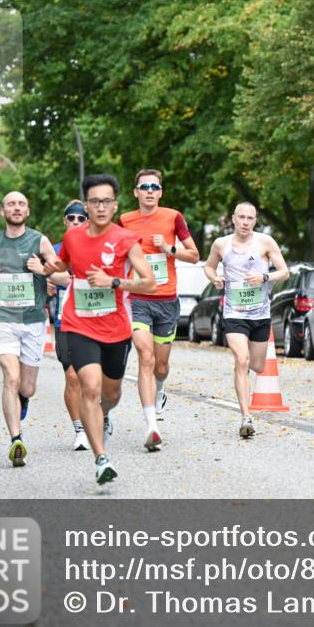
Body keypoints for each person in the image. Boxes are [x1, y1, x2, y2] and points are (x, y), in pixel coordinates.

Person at [44, 174, 156, 484]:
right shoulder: (72, 237)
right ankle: (101, 458)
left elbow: (148, 281)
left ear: (115, 204)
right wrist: (48, 269)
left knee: (111, 393)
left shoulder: (125, 239)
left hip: (116, 329)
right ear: (87, 204)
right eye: (95, 201)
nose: (101, 207)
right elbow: (64, 265)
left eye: (107, 201)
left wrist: (115, 281)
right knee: (89, 387)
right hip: (78, 323)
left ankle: (104, 416)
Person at [0, 191, 58, 468]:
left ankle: (22, 399)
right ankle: (16, 440)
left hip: (32, 321)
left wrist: (42, 269)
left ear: (27, 211)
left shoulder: (39, 240)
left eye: (21, 204)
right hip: (2, 320)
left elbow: (61, 273)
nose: (16, 208)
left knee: (27, 387)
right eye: (11, 204)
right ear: (2, 211)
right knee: (11, 376)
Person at [119, 169, 200, 451]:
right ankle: (151, 425)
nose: (150, 191)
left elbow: (194, 255)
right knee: (146, 356)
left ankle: (160, 389)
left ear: (161, 192)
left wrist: (168, 248)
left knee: (161, 366)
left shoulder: (173, 217)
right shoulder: (125, 221)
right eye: (144, 187)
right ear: (136, 192)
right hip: (138, 299)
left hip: (167, 302)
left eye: (155, 186)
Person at [203, 202, 289, 438]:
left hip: (260, 314)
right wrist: (215, 279)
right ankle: (246, 417)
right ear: (233, 218)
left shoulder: (265, 242)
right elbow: (208, 267)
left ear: (255, 220)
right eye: (241, 217)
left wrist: (264, 276)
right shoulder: (221, 244)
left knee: (257, 365)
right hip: (234, 313)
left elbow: (285, 272)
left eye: (250, 218)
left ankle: (247, 397)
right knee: (242, 359)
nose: (245, 222)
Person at [46, 200, 91, 451]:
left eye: (81, 218)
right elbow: (49, 273)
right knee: (73, 376)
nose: (76, 222)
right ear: (65, 221)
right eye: (71, 217)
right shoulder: (54, 250)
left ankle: (99, 417)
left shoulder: (97, 244)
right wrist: (51, 280)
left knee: (95, 379)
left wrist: (62, 278)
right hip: (66, 321)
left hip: (96, 321)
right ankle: (80, 429)